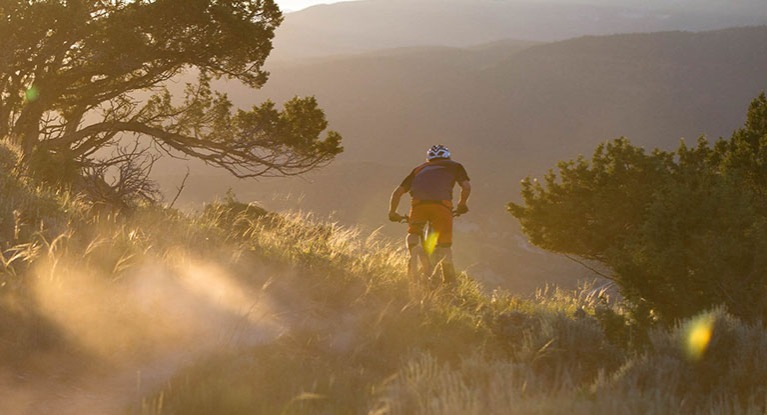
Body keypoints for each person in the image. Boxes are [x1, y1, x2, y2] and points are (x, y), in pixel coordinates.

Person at [388, 144, 471, 284]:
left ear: (429, 159)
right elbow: (466, 187)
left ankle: (414, 254)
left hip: (419, 205)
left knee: (413, 232)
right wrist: (462, 205)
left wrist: (392, 212)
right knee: (444, 246)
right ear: (447, 156)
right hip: (442, 206)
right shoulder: (455, 166)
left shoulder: (418, 169)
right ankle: (449, 282)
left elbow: (397, 193)